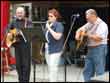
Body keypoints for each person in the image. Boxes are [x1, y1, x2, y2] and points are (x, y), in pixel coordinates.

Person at [75, 9, 108, 82]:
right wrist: (77, 35)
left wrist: (86, 34)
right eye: (86, 18)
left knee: (99, 71)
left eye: (88, 18)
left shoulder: (102, 25)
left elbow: (99, 38)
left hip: (99, 48)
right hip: (90, 49)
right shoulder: (89, 23)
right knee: (87, 69)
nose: (87, 20)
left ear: (93, 16)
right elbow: (79, 29)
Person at [5, 7, 32, 82]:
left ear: (24, 13)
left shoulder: (28, 21)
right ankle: (20, 80)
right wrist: (11, 33)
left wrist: (21, 32)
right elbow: (6, 29)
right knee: (18, 66)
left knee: (26, 66)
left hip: (26, 46)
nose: (19, 14)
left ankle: (25, 81)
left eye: (21, 12)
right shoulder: (13, 22)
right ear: (16, 14)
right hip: (17, 46)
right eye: (18, 13)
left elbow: (30, 30)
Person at [44, 8, 64, 82]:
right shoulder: (48, 25)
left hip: (55, 49)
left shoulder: (59, 25)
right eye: (49, 16)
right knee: (50, 68)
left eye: (51, 16)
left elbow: (57, 37)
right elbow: (45, 38)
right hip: (47, 49)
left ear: (56, 17)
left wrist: (49, 28)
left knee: (53, 68)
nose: (49, 17)